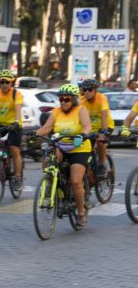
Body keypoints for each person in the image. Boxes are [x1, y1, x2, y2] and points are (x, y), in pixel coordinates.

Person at [35, 84, 92, 227]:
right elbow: (46, 128)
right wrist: (33, 135)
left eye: (66, 99)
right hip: (61, 146)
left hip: (79, 148)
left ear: (74, 100)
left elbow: (87, 126)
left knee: (75, 181)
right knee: (49, 157)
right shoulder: (56, 112)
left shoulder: (81, 110)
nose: (63, 102)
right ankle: (51, 183)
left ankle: (81, 213)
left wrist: (83, 135)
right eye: (61, 99)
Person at [79, 78, 112, 175]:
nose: (87, 92)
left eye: (90, 90)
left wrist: (103, 132)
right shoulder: (82, 101)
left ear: (95, 91)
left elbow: (104, 116)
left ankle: (102, 163)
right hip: (90, 128)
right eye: (85, 90)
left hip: (105, 125)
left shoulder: (101, 98)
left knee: (100, 142)